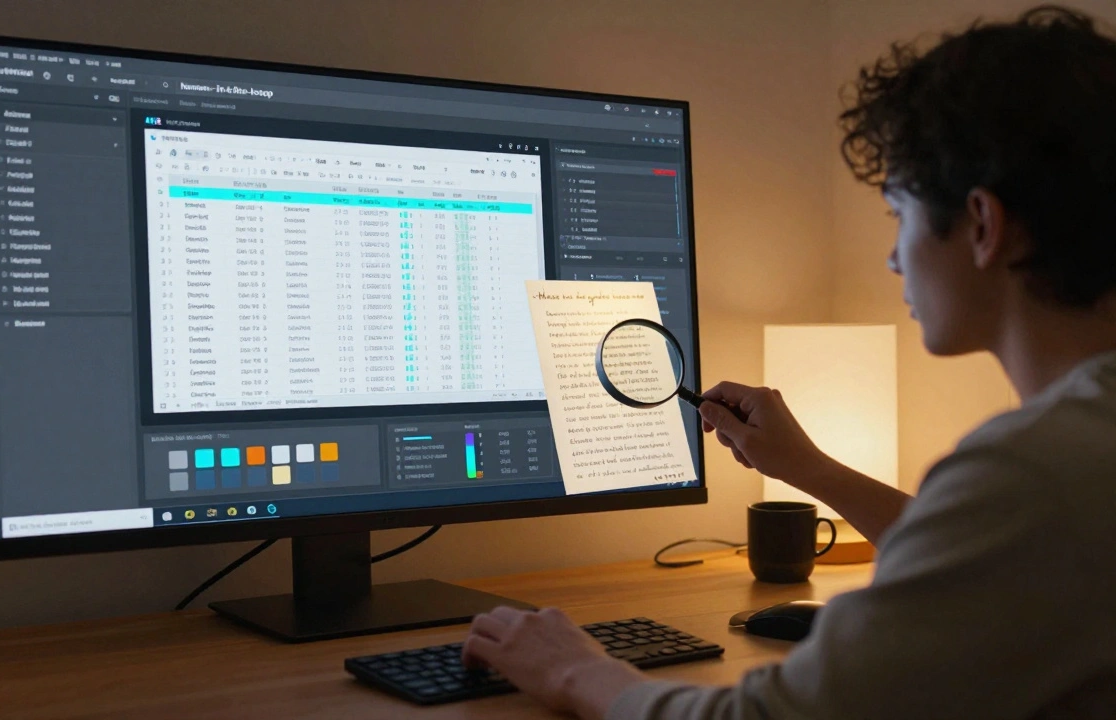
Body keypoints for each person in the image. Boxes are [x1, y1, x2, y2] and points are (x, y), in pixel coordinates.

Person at [461, 6, 1116, 718]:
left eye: (898, 214)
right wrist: (811, 470)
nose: (895, 256)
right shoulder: (1073, 461)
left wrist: (577, 671)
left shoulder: (1035, 473)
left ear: (984, 225)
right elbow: (996, 567)